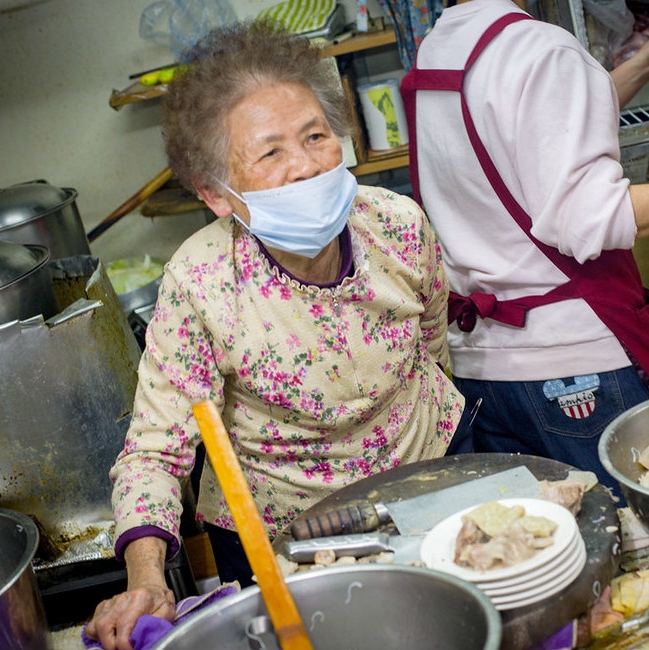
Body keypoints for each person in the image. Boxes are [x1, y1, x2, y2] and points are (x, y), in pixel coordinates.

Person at [85, 21, 465, 650]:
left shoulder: (397, 225)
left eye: (316, 136)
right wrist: (146, 576)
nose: (306, 166)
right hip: (286, 542)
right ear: (216, 194)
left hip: (428, 488)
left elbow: (433, 346)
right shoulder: (201, 282)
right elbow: (156, 449)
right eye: (270, 152)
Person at [400, 0, 649, 493]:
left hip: (485, 371)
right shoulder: (541, 49)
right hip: (577, 373)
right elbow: (589, 220)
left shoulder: (438, 51)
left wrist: (643, 65)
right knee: (646, 546)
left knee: (556, 553)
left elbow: (534, 131)